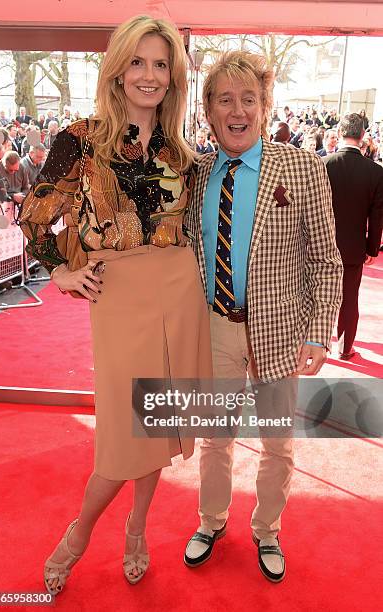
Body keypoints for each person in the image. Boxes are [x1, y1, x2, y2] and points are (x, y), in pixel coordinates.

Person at [19, 14, 212, 594]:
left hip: (180, 293)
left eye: (160, 64)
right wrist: (62, 272)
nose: (148, 75)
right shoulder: (79, 140)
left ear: (173, 77)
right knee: (121, 439)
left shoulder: (181, 151)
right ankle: (79, 534)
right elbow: (32, 218)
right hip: (119, 298)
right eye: (137, 61)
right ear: (117, 68)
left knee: (155, 426)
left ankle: (137, 528)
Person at [184, 50, 343, 582]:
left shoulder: (299, 167)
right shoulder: (198, 171)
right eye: (225, 99)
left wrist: (320, 332)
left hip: (279, 333)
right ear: (208, 111)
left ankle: (268, 530)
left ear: (265, 105)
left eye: (248, 99)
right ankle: (211, 520)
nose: (238, 110)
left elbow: (326, 258)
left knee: (277, 441)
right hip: (216, 326)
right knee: (216, 436)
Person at [324, 113, 383, 360]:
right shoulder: (375, 172)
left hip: (321, 245)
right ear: (362, 136)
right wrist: (372, 249)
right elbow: (377, 217)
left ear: (339, 133)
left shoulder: (324, 163)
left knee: (317, 295)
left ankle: (312, 344)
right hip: (353, 248)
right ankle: (345, 347)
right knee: (349, 298)